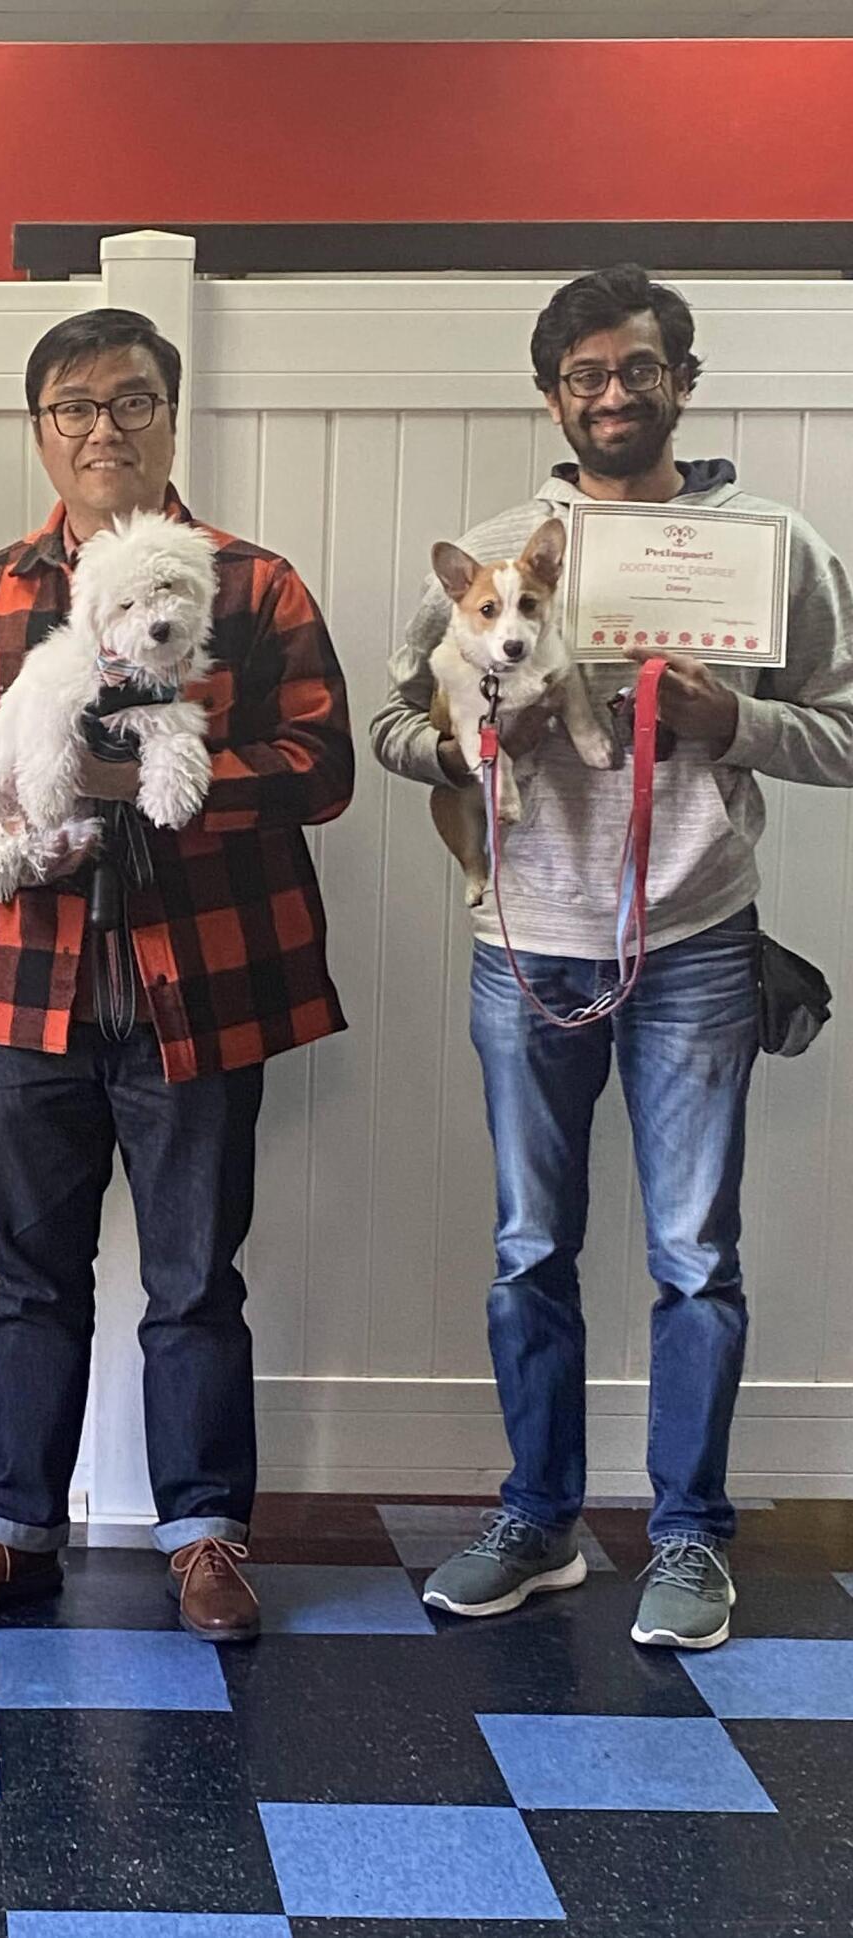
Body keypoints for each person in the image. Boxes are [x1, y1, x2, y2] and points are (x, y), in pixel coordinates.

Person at [371, 266, 853, 1650]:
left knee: (697, 1258)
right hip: (526, 943)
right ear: (553, 395)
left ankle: (692, 1539)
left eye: (638, 368)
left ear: (683, 379)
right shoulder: (490, 553)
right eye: (584, 374)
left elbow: (847, 724)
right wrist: (478, 738)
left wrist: (736, 725)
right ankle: (539, 1519)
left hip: (696, 938)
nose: (612, 393)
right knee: (531, 1248)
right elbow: (393, 730)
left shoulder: (768, 543)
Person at [0, 309, 354, 1642]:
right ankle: (10, 1530)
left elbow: (321, 768)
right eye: (75, 407)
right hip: (24, 995)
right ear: (40, 428)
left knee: (194, 1278)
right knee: (28, 1275)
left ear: (173, 412)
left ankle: (204, 1535)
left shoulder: (255, 586)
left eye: (133, 401)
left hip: (202, 987)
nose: (105, 428)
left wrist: (156, 783)